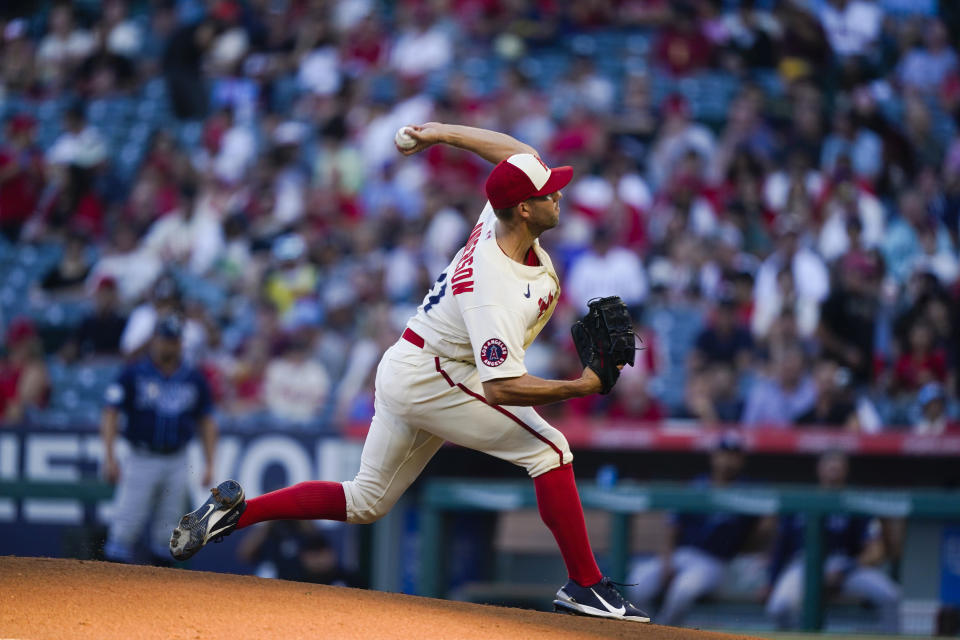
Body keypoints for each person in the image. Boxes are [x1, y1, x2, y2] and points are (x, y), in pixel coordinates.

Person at [168, 123, 649, 622]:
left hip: (413, 363)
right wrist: (581, 386)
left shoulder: (498, 216)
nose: (561, 193)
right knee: (549, 451)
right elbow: (502, 386)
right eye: (550, 192)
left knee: (366, 501)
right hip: (436, 375)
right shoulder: (493, 286)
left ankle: (238, 513)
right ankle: (586, 586)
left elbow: (518, 154)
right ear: (525, 209)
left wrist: (440, 132)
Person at [101, 315, 217, 566]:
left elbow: (206, 421)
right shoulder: (134, 373)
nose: (169, 345)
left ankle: (159, 601)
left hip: (177, 459)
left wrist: (209, 463)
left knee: (167, 534)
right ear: (154, 340)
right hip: (141, 457)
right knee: (125, 527)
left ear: (180, 343)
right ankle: (107, 595)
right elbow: (111, 412)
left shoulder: (193, 378)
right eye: (164, 339)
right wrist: (109, 457)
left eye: (173, 340)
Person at [626, 432, 763, 626]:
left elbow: (765, 528)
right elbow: (673, 525)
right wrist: (667, 560)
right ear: (714, 456)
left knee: (683, 590)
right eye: (723, 453)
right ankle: (642, 629)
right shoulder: (697, 485)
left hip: (715, 561)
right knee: (637, 582)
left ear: (742, 460)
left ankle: (664, 633)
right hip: (683, 553)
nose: (727, 460)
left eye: (733, 455)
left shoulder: (749, 490)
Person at [765, 451, 901, 632]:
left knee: (892, 596)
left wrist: (845, 570)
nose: (833, 470)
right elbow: (780, 546)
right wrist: (771, 581)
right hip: (804, 565)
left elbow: (875, 550)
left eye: (838, 466)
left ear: (846, 471)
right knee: (779, 607)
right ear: (819, 469)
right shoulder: (801, 501)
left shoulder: (857, 504)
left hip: (845, 566)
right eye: (829, 465)